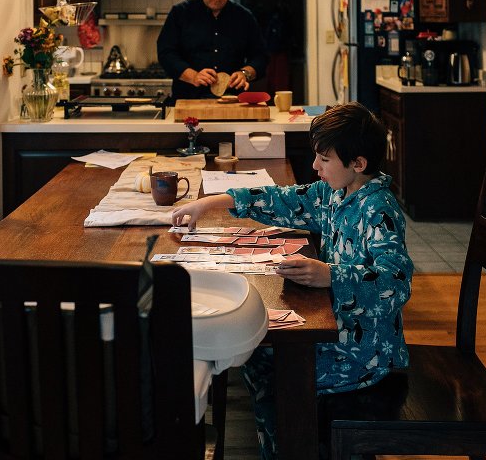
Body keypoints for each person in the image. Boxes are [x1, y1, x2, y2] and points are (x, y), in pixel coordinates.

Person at [171, 102, 413, 459]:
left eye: (324, 159)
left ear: (358, 164)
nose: (315, 166)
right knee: (256, 354)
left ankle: (290, 445)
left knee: (266, 363)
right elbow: (284, 199)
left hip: (368, 355)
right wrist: (209, 204)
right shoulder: (335, 191)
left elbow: (396, 282)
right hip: (342, 329)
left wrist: (330, 275)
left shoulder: (379, 209)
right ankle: (283, 442)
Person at [157, 0, 268, 102]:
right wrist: (193, 76)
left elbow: (261, 57)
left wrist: (245, 73)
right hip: (188, 101)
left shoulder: (244, 17)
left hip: (232, 102)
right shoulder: (180, 13)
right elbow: (166, 53)